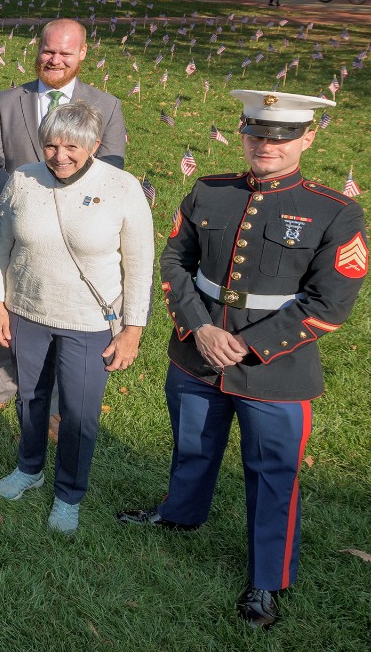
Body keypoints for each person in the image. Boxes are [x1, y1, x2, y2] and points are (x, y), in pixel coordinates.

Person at [117, 90, 365, 629]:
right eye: (256, 134)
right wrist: (198, 326)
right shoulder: (210, 191)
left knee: (273, 474)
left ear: (308, 137)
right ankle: (180, 513)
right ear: (244, 133)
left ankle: (266, 579)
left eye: (280, 137)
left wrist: (249, 346)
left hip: (274, 368)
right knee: (192, 446)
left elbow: (331, 303)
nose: (265, 146)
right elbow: (176, 259)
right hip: (197, 350)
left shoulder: (336, 212)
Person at [0, 102, 154, 534]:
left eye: (72, 147)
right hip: (27, 310)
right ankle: (29, 467)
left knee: (78, 412)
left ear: (95, 145)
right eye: (51, 145)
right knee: (31, 397)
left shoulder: (122, 186)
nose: (59, 156)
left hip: (89, 321)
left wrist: (133, 329)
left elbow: (140, 263)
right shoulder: (23, 178)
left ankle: (69, 494)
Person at [0, 18, 127, 422]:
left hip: (79, 230)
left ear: (82, 54)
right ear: (36, 49)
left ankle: (60, 403)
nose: (54, 59)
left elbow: (111, 166)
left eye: (65, 52)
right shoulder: (7, 102)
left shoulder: (107, 105)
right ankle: (3, 386)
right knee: (6, 304)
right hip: (18, 223)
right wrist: (24, 198)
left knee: (67, 312)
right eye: (48, 50)